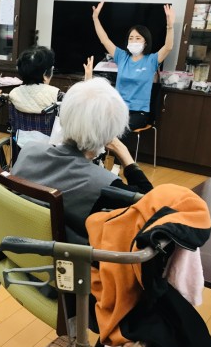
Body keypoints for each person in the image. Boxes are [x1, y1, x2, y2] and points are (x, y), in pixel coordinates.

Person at [11, 77, 153, 245]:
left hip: (15, 246)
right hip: (66, 259)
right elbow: (150, 205)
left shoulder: (28, 151)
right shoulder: (103, 185)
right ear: (111, 132)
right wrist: (123, 152)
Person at [92, 2, 175, 131]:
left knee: (117, 129)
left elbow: (168, 47)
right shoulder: (122, 56)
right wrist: (95, 18)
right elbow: (105, 40)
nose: (133, 41)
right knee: (96, 124)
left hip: (139, 113)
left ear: (145, 42)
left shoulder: (151, 60)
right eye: (131, 38)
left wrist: (170, 26)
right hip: (118, 109)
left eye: (138, 38)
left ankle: (113, 144)